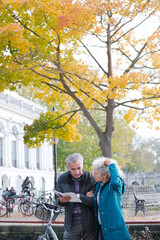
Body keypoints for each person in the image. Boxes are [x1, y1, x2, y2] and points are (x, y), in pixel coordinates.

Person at [87, 157, 131, 240]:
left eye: (96, 173)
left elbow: (115, 181)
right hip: (102, 227)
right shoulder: (99, 185)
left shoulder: (114, 185)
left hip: (114, 229)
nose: (93, 175)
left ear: (105, 175)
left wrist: (111, 164)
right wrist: (92, 197)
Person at [56, 153, 96, 240]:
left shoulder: (91, 178)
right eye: (73, 169)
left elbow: (94, 202)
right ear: (68, 168)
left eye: (79, 168)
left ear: (82, 165)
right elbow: (57, 200)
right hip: (71, 224)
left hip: (89, 224)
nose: (77, 172)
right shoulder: (62, 178)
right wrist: (62, 201)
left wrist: (78, 196)